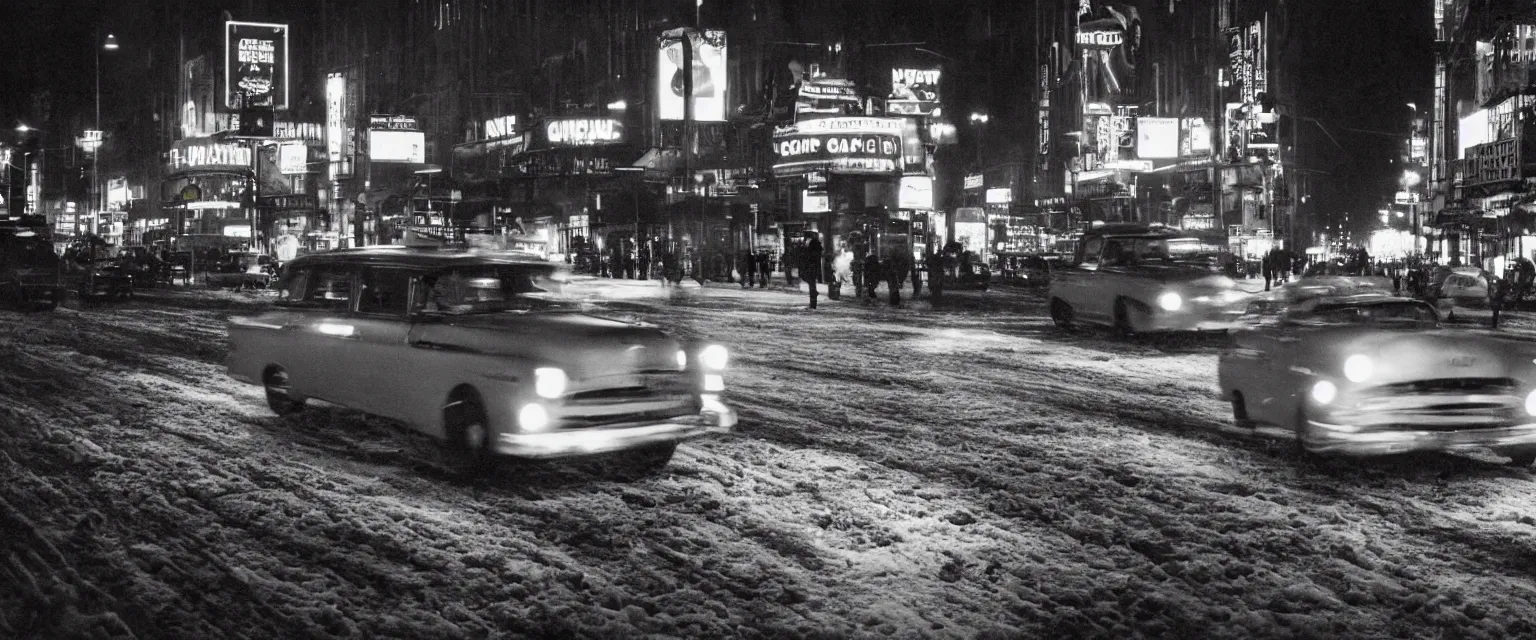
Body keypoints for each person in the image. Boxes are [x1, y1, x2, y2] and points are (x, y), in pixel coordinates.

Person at [801, 233, 823, 309]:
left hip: (810, 268)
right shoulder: (817, 250)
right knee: (812, 284)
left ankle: (813, 302)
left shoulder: (810, 250)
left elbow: (806, 259)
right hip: (814, 269)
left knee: (811, 285)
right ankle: (813, 301)